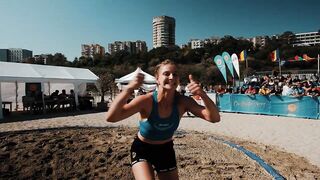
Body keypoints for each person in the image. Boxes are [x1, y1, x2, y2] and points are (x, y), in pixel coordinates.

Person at [106, 60, 220, 180]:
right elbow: (111, 117)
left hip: (165, 150)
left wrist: (203, 95)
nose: (171, 77)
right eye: (166, 74)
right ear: (157, 79)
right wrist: (128, 89)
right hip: (142, 149)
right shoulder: (146, 101)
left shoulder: (183, 102)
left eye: (175, 74)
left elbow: (214, 118)